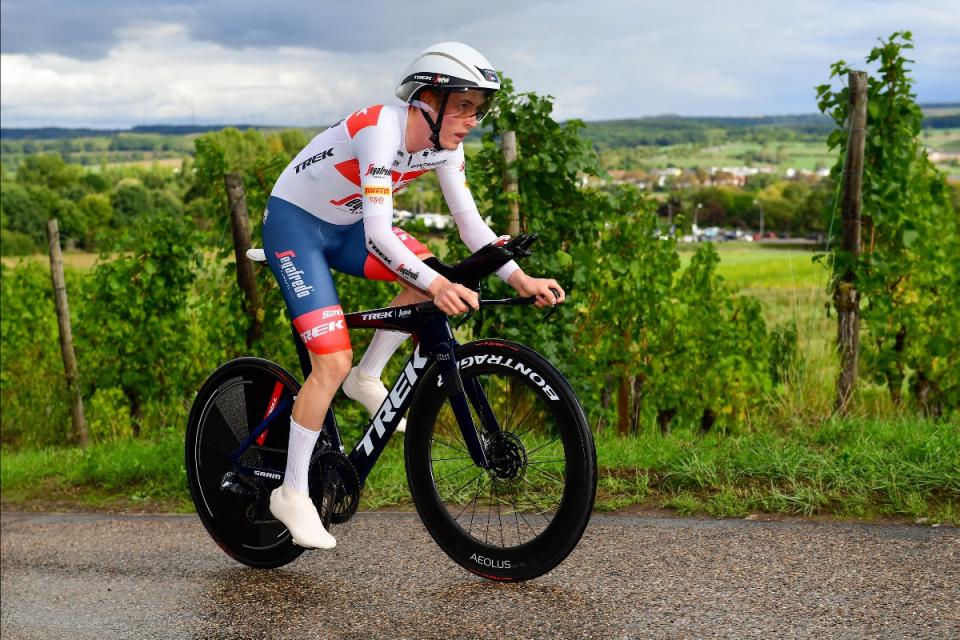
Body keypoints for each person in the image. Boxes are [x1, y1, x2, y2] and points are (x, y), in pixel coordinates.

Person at [262, 42, 565, 549]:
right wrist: (438, 286)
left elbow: (471, 226)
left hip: (346, 228)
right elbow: (380, 236)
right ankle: (291, 492)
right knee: (330, 361)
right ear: (428, 100)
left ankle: (368, 376)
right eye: (464, 106)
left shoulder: (445, 146)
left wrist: (521, 280)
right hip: (296, 227)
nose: (472, 121)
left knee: (425, 271)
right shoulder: (380, 130)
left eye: (479, 109)